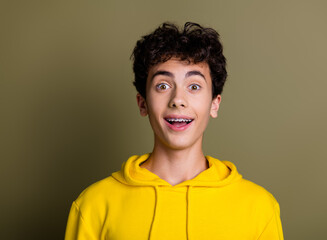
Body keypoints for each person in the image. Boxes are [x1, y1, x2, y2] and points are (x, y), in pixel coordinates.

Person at [65, 22, 284, 240]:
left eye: (194, 86)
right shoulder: (93, 205)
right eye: (163, 85)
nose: (178, 100)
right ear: (143, 104)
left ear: (214, 104)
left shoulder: (259, 207)